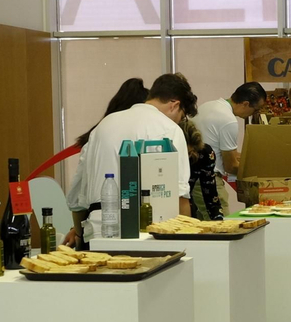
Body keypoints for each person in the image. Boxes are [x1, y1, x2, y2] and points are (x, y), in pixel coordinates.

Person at [72, 74, 198, 240]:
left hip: (98, 229)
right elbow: (179, 196)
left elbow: (78, 196)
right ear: (175, 105)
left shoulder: (103, 126)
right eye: (182, 117)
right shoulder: (169, 129)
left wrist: (79, 234)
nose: (179, 122)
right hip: (148, 231)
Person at [67, 77, 149, 233]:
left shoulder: (97, 134)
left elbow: (76, 200)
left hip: (97, 224)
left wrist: (78, 235)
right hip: (138, 224)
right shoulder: (147, 133)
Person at [193, 82, 267, 211]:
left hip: (193, 176)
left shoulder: (208, 106)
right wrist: (258, 172)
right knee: (221, 226)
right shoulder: (228, 120)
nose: (253, 114)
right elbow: (230, 165)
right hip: (208, 179)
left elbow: (218, 149)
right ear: (245, 104)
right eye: (256, 110)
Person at [181, 117, 222, 220]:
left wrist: (219, 220)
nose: (189, 156)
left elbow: (210, 193)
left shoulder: (204, 153)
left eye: (190, 153)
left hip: (187, 203)